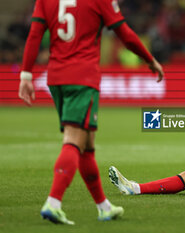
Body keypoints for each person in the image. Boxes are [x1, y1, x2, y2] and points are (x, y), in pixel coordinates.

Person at [18, 0, 164, 225]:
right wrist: (149, 59)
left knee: (87, 147)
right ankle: (53, 203)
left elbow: (35, 34)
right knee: (74, 140)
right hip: (82, 79)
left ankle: (104, 207)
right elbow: (124, 33)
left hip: (56, 78)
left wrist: (26, 75)